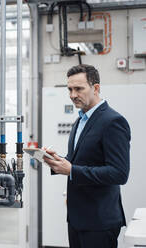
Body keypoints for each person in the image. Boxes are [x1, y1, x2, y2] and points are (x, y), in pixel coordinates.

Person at [43, 64, 131, 248]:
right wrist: (57, 160)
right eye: (69, 89)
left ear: (96, 88)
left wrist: (72, 170)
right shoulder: (80, 120)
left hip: (99, 221)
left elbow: (119, 173)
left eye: (78, 89)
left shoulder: (113, 121)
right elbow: (79, 160)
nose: (72, 95)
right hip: (77, 218)